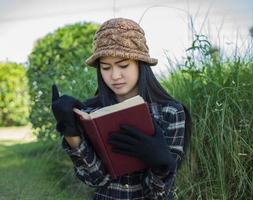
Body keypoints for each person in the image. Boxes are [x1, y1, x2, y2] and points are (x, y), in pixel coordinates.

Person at [51, 17, 192, 200]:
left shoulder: (171, 112)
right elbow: (96, 179)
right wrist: (71, 133)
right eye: (106, 67)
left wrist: (162, 164)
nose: (115, 76)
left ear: (140, 64)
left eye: (123, 65)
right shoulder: (91, 113)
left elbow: (159, 193)